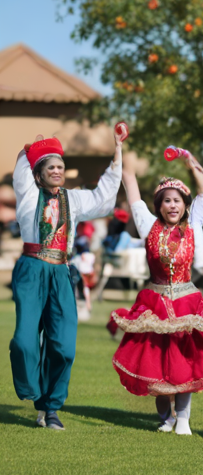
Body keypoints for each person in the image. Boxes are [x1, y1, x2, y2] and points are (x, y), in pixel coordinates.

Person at [109, 147, 203, 435]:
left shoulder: (193, 224)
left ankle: (183, 418)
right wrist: (121, 150)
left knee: (183, 361)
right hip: (155, 301)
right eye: (166, 201)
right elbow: (130, 186)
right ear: (159, 205)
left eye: (177, 201)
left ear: (184, 205)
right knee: (154, 362)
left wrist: (190, 160)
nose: (172, 205)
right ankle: (165, 417)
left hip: (185, 301)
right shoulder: (148, 225)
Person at [10, 132, 123, 430]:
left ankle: (50, 408)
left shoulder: (73, 199)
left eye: (60, 166)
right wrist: (30, 150)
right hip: (32, 270)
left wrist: (117, 155)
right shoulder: (29, 194)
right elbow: (22, 170)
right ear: (38, 175)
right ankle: (33, 393)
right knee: (24, 341)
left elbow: (103, 199)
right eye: (50, 167)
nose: (57, 170)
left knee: (64, 348)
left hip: (61, 272)